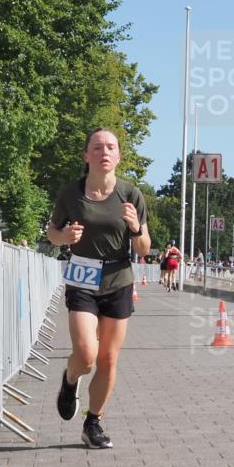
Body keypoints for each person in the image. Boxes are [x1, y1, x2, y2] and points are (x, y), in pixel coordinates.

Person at [45, 127, 150, 449]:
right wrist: (65, 238)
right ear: (86, 155)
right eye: (97, 147)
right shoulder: (70, 194)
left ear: (118, 155)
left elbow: (144, 248)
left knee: (108, 359)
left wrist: (134, 228)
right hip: (82, 278)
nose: (104, 152)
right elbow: (52, 232)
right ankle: (70, 379)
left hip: (118, 279)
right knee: (87, 355)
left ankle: (93, 423)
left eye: (111, 147)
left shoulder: (131, 195)